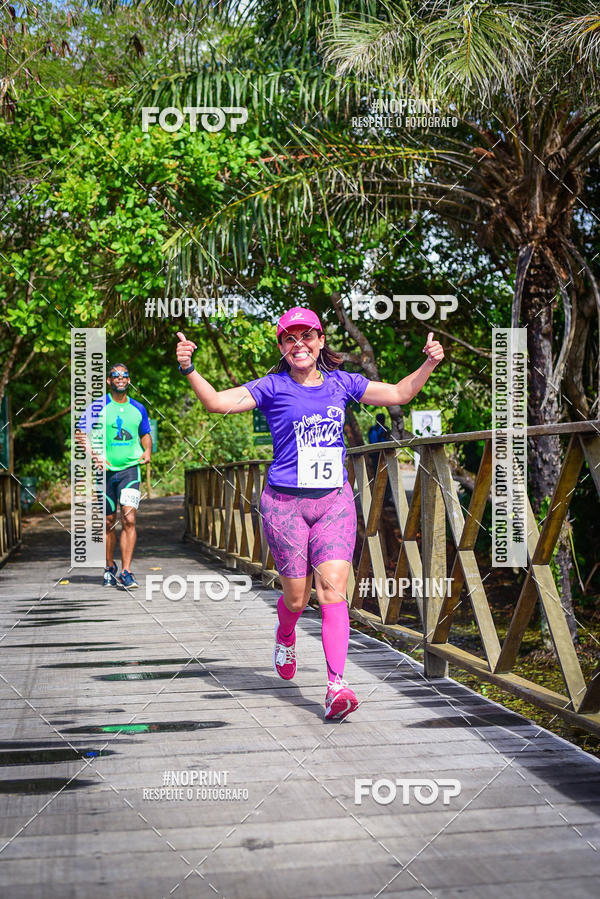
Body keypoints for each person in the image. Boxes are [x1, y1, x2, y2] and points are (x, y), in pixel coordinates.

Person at [175, 308, 443, 720]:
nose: (298, 345)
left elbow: (400, 394)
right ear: (282, 348)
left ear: (320, 342)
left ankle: (337, 685)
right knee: (297, 598)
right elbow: (215, 404)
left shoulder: (342, 382)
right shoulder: (272, 386)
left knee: (333, 591)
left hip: (333, 501)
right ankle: (285, 634)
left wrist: (429, 362)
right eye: (289, 339)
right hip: (284, 504)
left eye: (306, 337)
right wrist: (189, 367)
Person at [75, 363, 152, 589]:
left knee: (129, 519)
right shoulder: (98, 407)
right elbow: (81, 434)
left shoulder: (138, 408)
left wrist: (147, 451)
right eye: (115, 375)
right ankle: (109, 567)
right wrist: (95, 455)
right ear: (109, 380)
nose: (120, 378)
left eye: (124, 375)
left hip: (130, 470)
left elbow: (145, 435)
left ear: (129, 380)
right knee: (108, 522)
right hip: (104, 473)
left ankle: (127, 571)